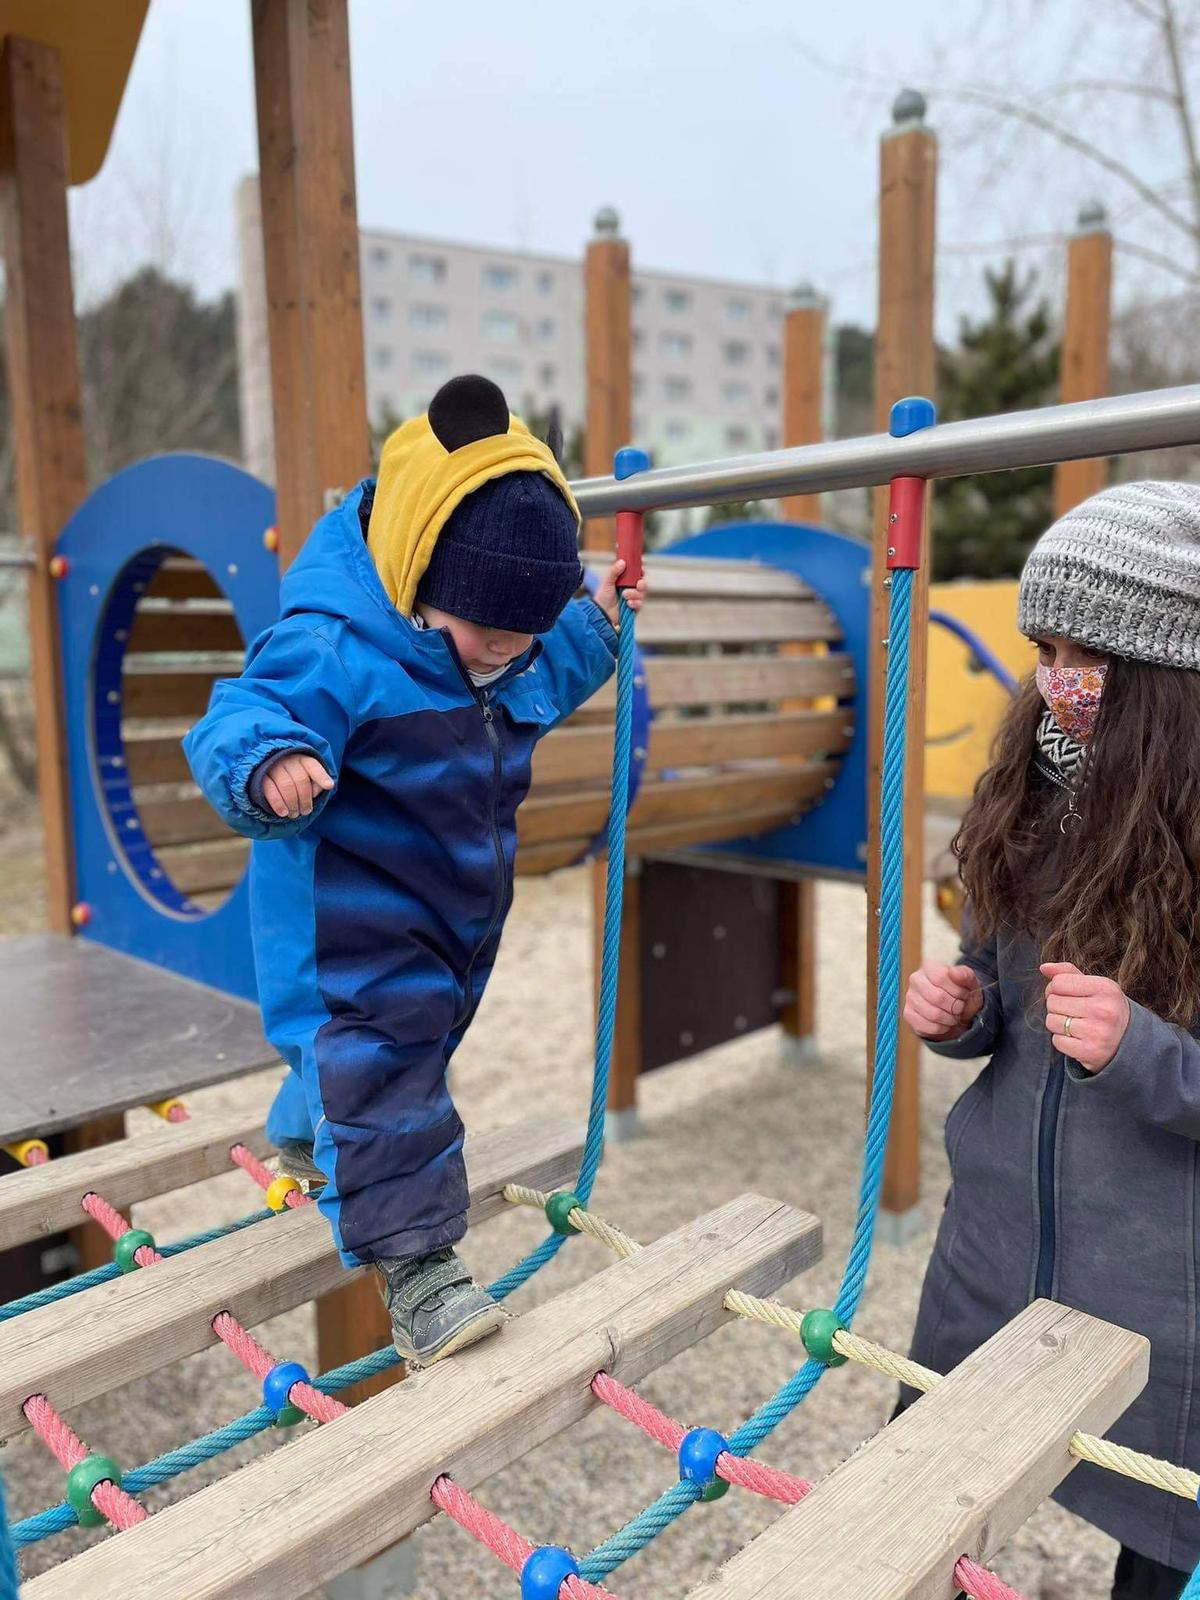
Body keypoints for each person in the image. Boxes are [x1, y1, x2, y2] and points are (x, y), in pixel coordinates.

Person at [186, 375, 644, 1366]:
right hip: (345, 933)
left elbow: (542, 671)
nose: (505, 657)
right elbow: (239, 713)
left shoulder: (494, 647)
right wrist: (269, 760)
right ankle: (421, 1273)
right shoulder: (333, 645)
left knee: (395, 1061)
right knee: (387, 1074)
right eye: (489, 637)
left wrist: (596, 628)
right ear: (415, 574)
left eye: (523, 638)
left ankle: (307, 1127)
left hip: (446, 925)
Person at [903, 480, 1200, 1600]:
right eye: (1045, 649)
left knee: (1160, 1538)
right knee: (917, 1498)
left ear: (1168, 676)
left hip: (1166, 1298)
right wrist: (966, 1010)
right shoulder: (1034, 791)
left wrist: (1141, 1048)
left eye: (1091, 655)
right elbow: (997, 980)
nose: (1057, 679)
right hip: (991, 1252)